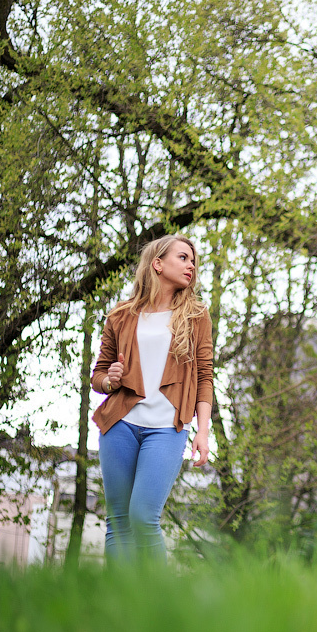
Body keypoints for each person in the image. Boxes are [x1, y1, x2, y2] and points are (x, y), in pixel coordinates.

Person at [91, 235, 213, 563]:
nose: (191, 266)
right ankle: (115, 606)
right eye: (183, 258)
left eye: (193, 261)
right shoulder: (121, 315)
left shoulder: (196, 315)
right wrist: (110, 380)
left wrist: (202, 431)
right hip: (120, 425)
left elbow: (204, 376)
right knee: (118, 522)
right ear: (157, 263)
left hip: (166, 429)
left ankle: (160, 605)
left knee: (144, 517)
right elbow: (98, 376)